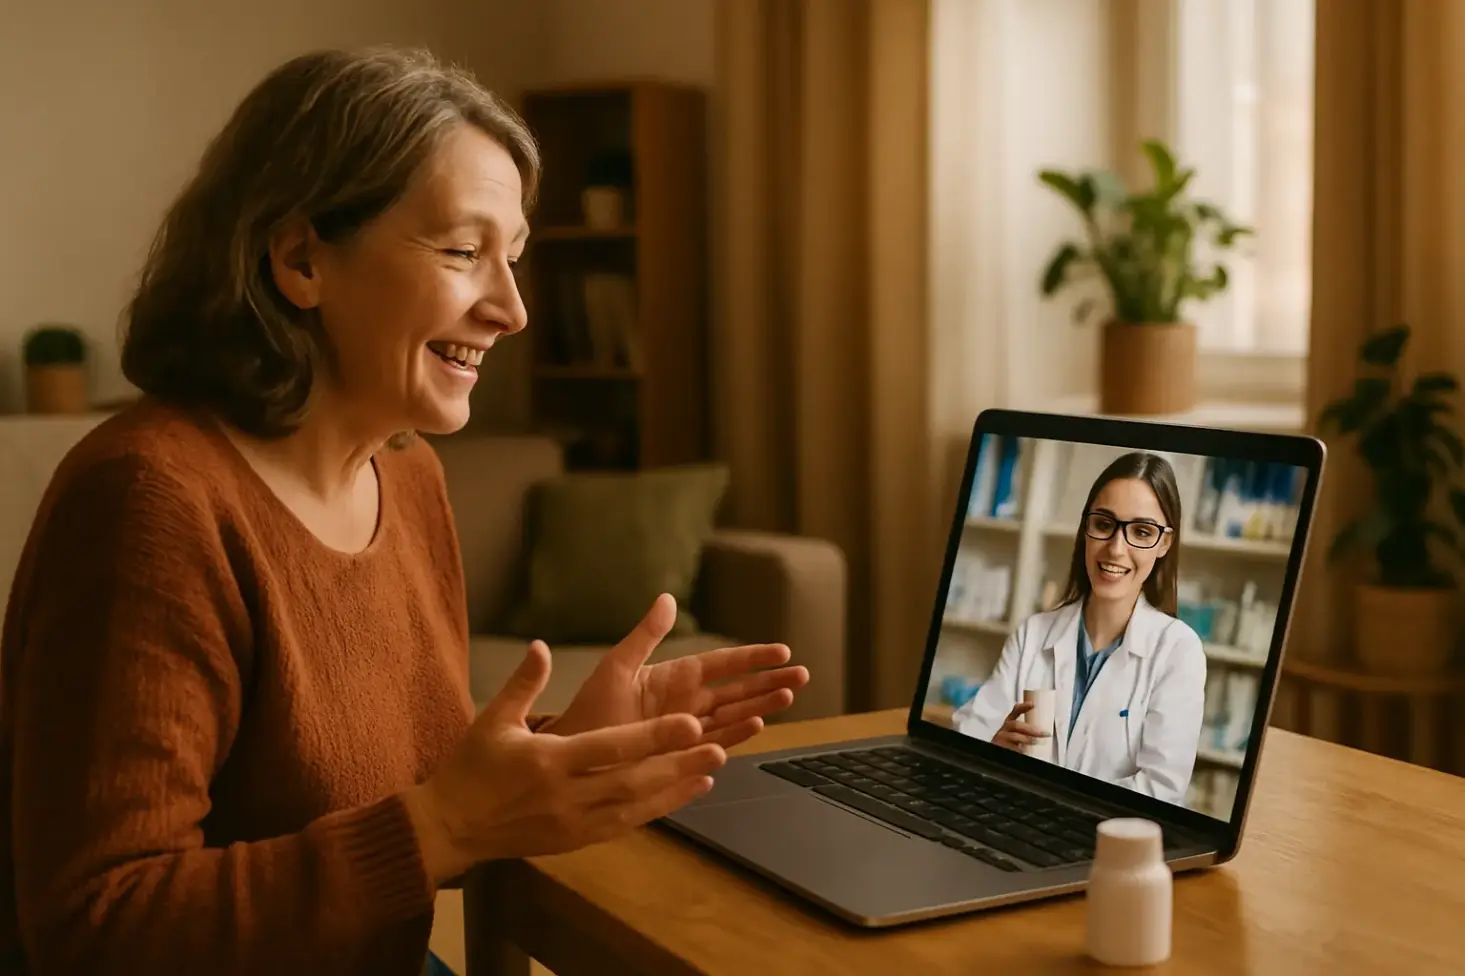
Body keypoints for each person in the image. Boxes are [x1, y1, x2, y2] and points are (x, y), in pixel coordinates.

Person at [0, 47, 809, 976]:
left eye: (512, 260)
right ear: (301, 258)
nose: (511, 310)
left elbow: (413, 784)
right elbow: (99, 927)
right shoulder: (150, 500)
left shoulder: (408, 473)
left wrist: (568, 749)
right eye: (464, 253)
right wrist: (447, 825)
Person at [951, 451, 1206, 806]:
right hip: (1013, 817)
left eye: (1142, 531)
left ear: (1164, 543)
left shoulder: (1178, 651)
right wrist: (993, 747)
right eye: (1104, 524)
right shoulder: (1034, 634)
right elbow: (967, 734)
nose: (1116, 549)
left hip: (1106, 843)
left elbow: (1161, 790)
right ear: (1086, 527)